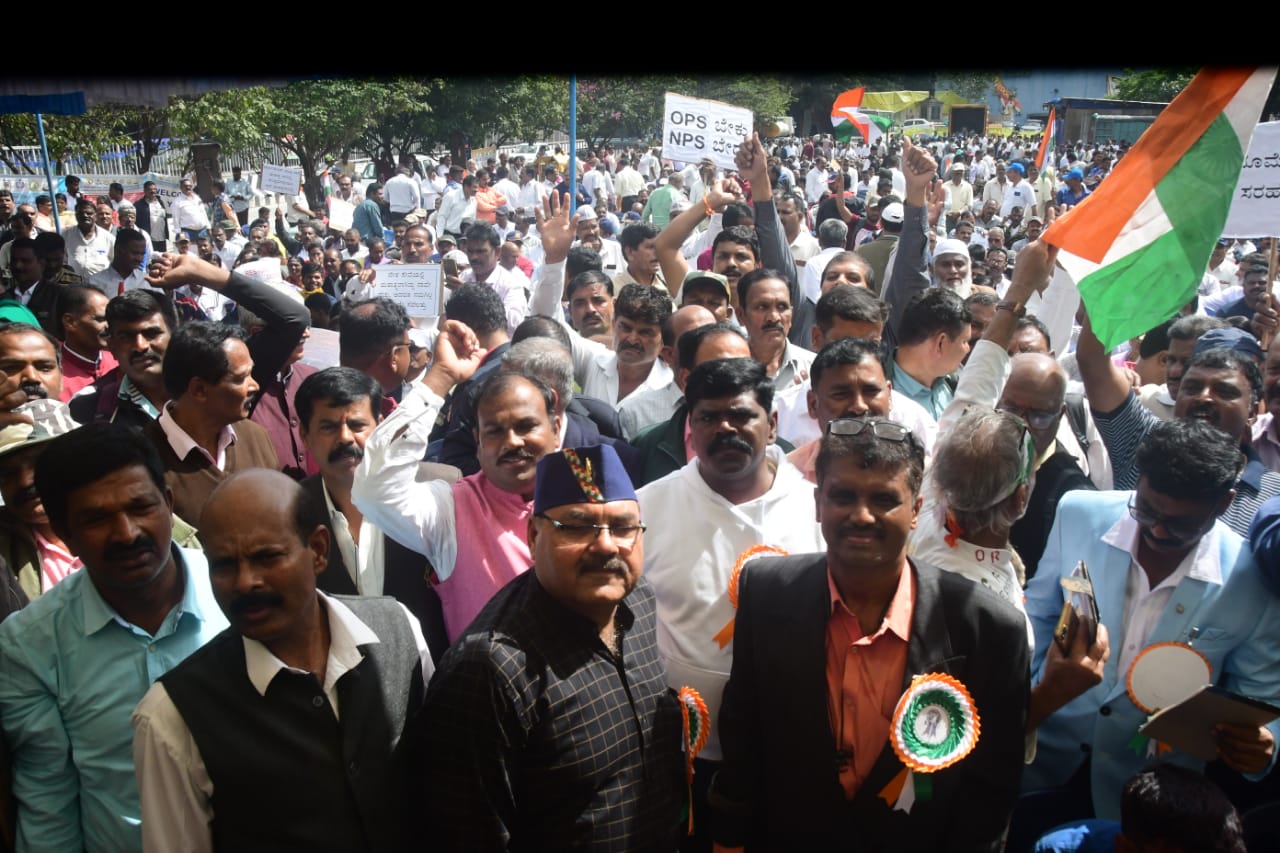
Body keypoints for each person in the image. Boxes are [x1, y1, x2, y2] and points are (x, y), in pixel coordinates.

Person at [709, 415, 1030, 850]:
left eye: (884, 499)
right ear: (819, 502)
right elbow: (743, 738)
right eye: (843, 496)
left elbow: (989, 796)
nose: (861, 515)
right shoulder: (765, 592)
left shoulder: (988, 629)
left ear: (916, 510)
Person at [131, 469, 432, 853]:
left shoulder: (398, 630)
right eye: (223, 565)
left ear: (318, 550)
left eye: (267, 557)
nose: (245, 583)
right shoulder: (171, 717)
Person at [419, 444, 683, 851]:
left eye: (624, 527)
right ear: (534, 534)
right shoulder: (491, 670)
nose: (607, 546)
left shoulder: (639, 601)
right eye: (578, 527)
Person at [1024, 418, 1280, 821]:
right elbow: (1037, 616)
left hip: (1148, 803)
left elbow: (1263, 699)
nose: (1157, 530)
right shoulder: (1078, 513)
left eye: (1180, 524)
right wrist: (1025, 708)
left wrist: (1264, 744)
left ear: (1226, 504)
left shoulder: (1251, 579)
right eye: (1146, 510)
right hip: (1040, 764)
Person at [0, 423, 227, 852]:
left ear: (169, 503)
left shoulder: (236, 593)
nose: (126, 533)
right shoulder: (29, 646)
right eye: (96, 519)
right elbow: (48, 800)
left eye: (141, 506)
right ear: (64, 534)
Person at [636, 357, 824, 849]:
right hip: (680, 754)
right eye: (708, 417)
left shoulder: (817, 507)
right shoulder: (646, 509)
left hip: (788, 746)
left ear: (773, 423)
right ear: (689, 427)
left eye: (741, 415)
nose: (726, 428)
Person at [352, 321, 561, 642]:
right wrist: (441, 377)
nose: (512, 441)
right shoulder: (452, 509)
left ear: (556, 427)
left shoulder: (588, 489)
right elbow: (374, 488)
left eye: (526, 426)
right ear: (477, 441)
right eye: (494, 431)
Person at [141, 320, 280, 525]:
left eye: (252, 373)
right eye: (241, 378)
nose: (255, 386)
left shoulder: (256, 437)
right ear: (199, 390)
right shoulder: (143, 460)